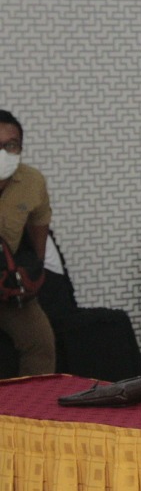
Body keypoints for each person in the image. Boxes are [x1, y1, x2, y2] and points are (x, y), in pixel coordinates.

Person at [0, 110, 56, 375]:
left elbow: (38, 231)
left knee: (40, 343)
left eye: (10, 145)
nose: (3, 152)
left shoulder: (32, 181)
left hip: (6, 283)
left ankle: (31, 412)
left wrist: (31, 273)